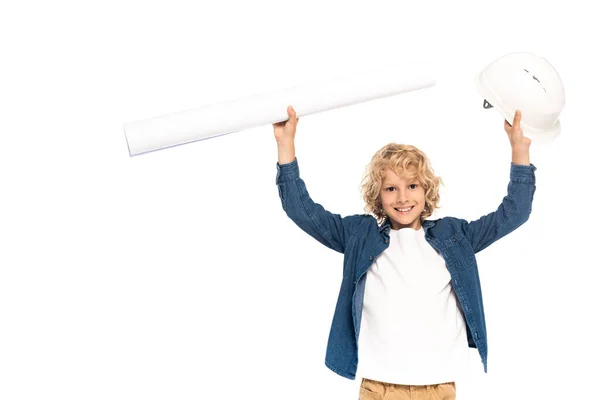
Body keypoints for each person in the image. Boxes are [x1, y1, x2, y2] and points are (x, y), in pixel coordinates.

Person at [273, 105, 536, 400]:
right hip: (379, 385)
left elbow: (514, 213)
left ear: (426, 190)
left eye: (412, 186)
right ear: (378, 194)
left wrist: (519, 150)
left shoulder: (454, 236)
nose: (403, 198)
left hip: (437, 385)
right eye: (390, 189)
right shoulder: (361, 236)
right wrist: (286, 144)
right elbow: (303, 211)